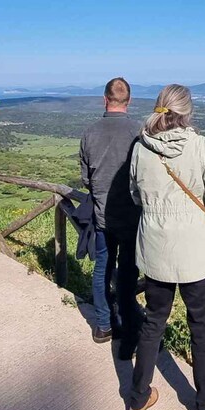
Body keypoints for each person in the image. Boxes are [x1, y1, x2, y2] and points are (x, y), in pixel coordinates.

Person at [126, 84, 205, 410]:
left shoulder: (141, 148)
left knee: (153, 322)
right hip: (196, 254)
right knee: (201, 327)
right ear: (188, 113)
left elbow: (134, 194)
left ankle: (138, 398)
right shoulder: (202, 146)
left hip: (155, 249)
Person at [79, 77, 143, 353]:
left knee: (102, 269)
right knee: (129, 273)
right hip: (131, 219)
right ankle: (130, 327)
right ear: (128, 102)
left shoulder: (90, 133)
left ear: (104, 100)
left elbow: (86, 180)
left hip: (102, 217)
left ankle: (104, 325)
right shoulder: (139, 133)